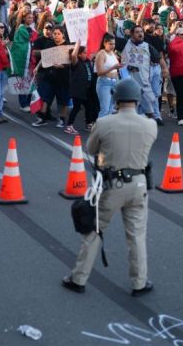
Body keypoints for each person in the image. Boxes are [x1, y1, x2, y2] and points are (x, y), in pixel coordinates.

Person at [62, 79, 157, 296]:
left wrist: (106, 156)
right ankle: (139, 282)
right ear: (137, 99)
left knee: (95, 230)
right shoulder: (149, 125)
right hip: (139, 183)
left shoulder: (104, 123)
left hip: (112, 183)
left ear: (116, 99)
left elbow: (91, 147)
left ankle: (79, 278)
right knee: (136, 235)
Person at [121, 25, 162, 119]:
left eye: (141, 32)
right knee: (131, 108)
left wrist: (164, 69)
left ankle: (146, 124)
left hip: (144, 81)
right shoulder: (125, 43)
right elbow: (111, 37)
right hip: (129, 82)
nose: (140, 34)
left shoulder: (147, 46)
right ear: (132, 35)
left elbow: (158, 59)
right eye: (137, 32)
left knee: (150, 106)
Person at [65, 43, 97, 134]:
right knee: (77, 107)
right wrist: (78, 44)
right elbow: (73, 55)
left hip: (87, 89)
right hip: (78, 89)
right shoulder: (76, 62)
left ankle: (88, 124)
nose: (86, 54)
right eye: (84, 53)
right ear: (79, 54)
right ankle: (69, 126)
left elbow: (93, 53)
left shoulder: (87, 61)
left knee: (89, 107)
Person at [94, 33, 121, 118]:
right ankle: (99, 130)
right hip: (104, 83)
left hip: (114, 83)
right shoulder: (101, 53)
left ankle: (106, 129)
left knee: (110, 110)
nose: (112, 46)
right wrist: (113, 67)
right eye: (110, 44)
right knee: (105, 110)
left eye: (114, 44)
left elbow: (116, 69)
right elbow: (99, 72)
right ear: (104, 43)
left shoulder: (113, 53)